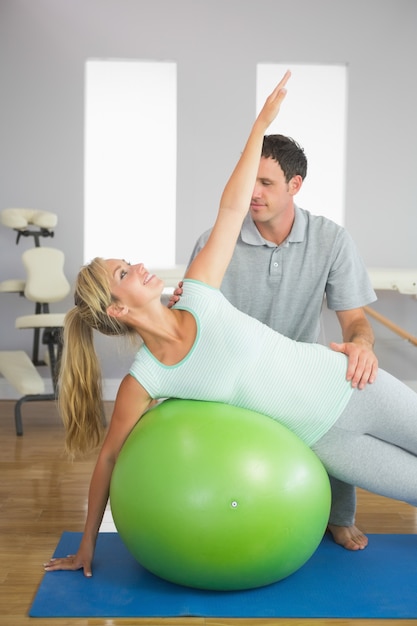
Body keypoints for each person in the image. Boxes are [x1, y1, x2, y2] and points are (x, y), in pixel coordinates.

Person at [44, 71, 417, 578]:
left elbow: (231, 205)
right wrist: (88, 544)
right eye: (125, 273)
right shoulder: (146, 378)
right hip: (324, 440)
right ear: (117, 310)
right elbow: (109, 460)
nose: (139, 264)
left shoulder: (198, 294)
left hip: (352, 385)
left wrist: (260, 125)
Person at [170, 132, 378, 551]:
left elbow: (355, 320)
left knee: (341, 400)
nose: (254, 192)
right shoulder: (216, 241)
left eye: (266, 183)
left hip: (300, 374)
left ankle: (338, 516)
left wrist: (362, 346)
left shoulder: (331, 239)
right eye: (250, 180)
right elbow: (193, 324)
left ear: (295, 185)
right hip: (237, 378)